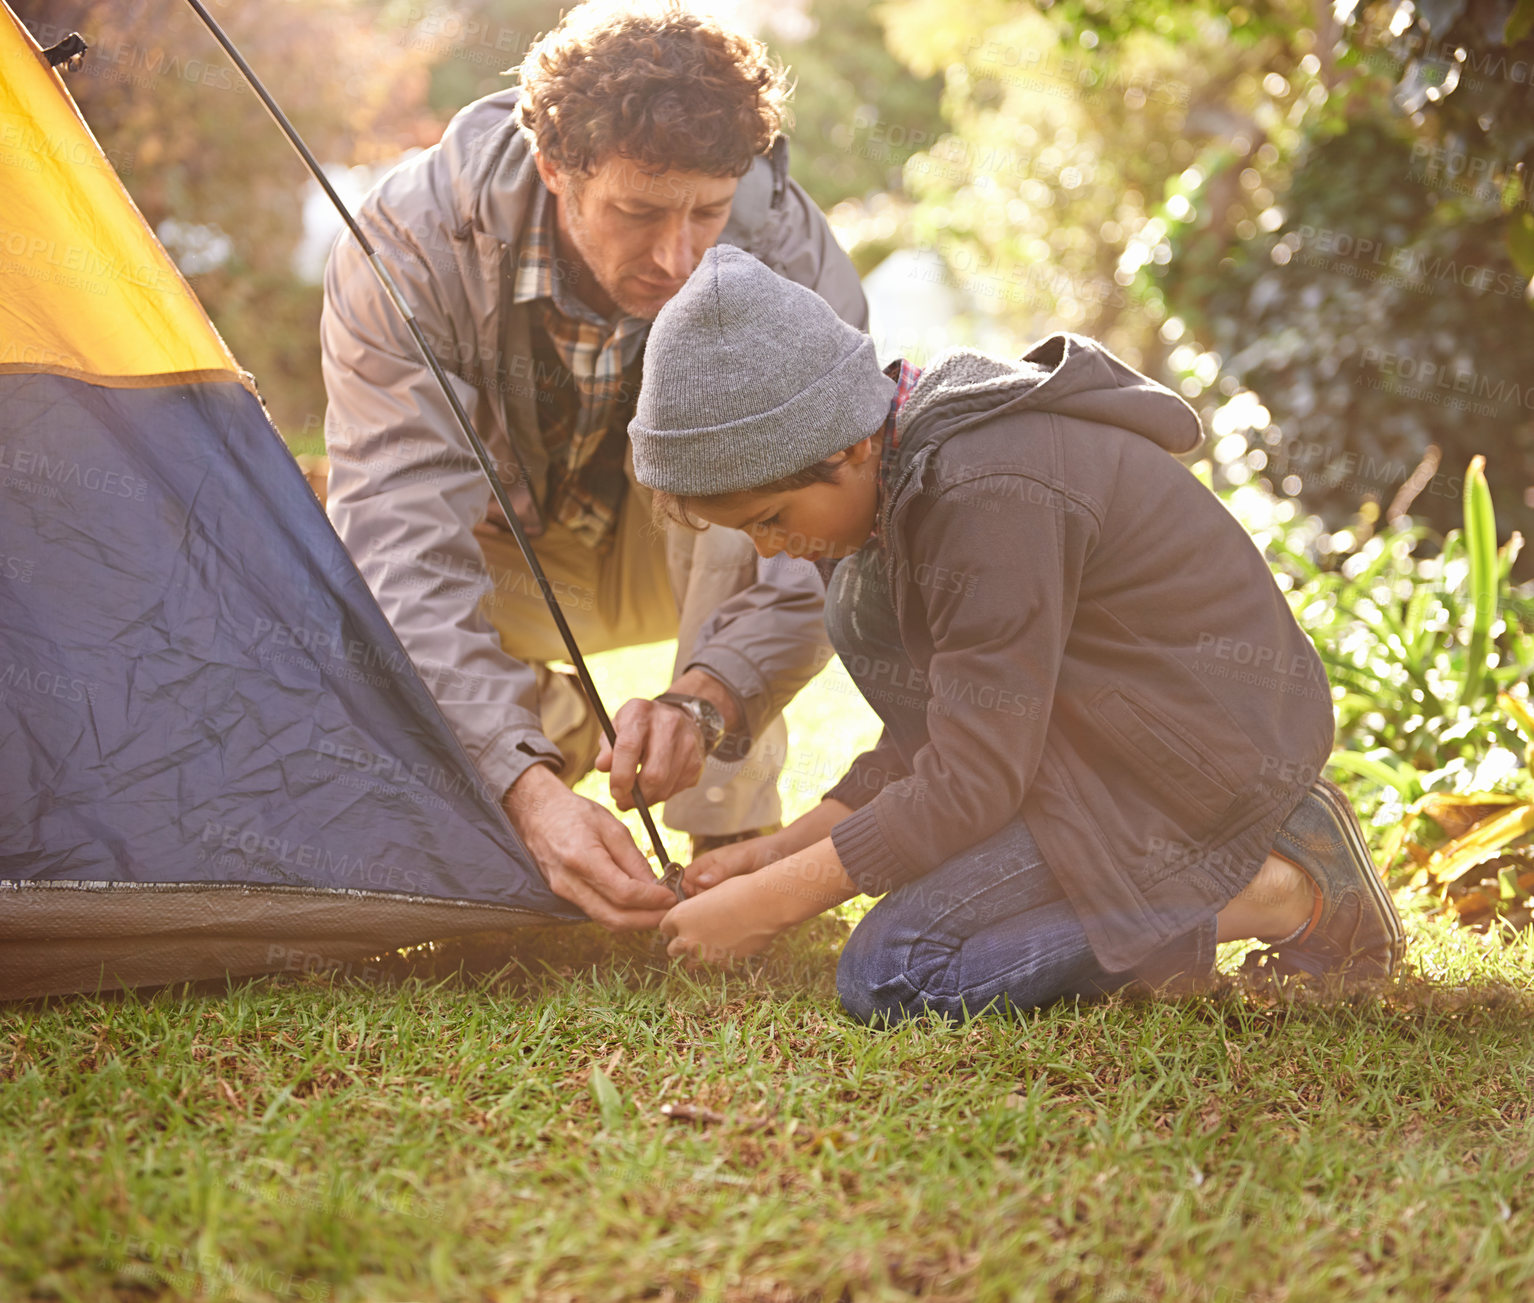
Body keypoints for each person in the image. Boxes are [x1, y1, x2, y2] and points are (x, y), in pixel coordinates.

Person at [632, 245, 1407, 1024]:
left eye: (771, 519)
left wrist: (770, 904)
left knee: (894, 975)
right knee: (917, 922)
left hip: (1195, 762)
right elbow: (944, 734)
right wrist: (773, 854)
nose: (770, 549)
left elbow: (971, 781)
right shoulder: (889, 493)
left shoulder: (986, 490)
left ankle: (1291, 888)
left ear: (847, 444)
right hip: (1081, 754)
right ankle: (1197, 891)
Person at [319, 5, 867, 931]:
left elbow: (833, 523)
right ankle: (549, 732)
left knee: (770, 469)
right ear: (554, 168)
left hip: (682, 556)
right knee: (323, 559)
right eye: (639, 211)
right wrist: (524, 791)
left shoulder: (786, 248)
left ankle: (726, 842)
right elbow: (402, 544)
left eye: (707, 210)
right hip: (515, 559)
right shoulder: (406, 245)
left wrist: (708, 698)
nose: (679, 254)